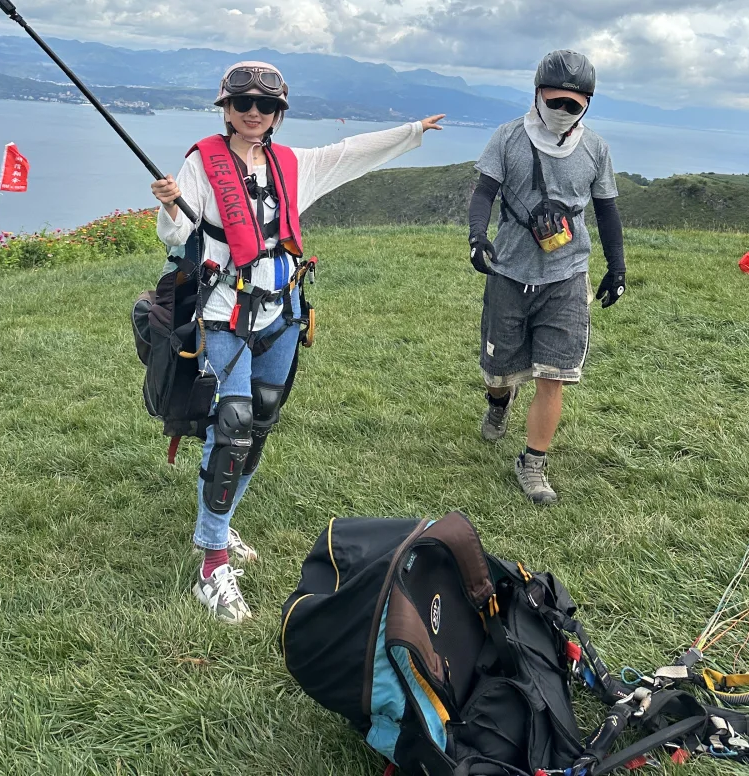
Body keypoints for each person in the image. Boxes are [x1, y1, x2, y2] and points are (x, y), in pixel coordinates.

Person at [151, 59, 444, 624]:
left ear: (277, 113)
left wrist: (411, 132)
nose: (254, 113)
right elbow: (179, 234)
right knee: (233, 425)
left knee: (260, 421)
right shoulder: (202, 164)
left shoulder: (292, 165)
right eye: (243, 104)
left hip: (281, 311)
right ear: (226, 109)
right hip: (225, 311)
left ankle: (216, 524)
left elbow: (350, 154)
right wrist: (169, 205)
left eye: (265, 106)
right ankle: (212, 561)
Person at [467, 49, 625, 506]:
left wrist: (617, 267)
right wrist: (477, 237)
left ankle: (532, 462)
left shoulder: (595, 149)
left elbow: (607, 210)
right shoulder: (508, 137)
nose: (562, 110)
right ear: (537, 94)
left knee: (552, 376)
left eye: (573, 105)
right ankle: (499, 402)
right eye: (554, 101)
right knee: (499, 372)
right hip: (509, 272)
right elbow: (484, 192)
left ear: (587, 104)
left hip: (567, 275)